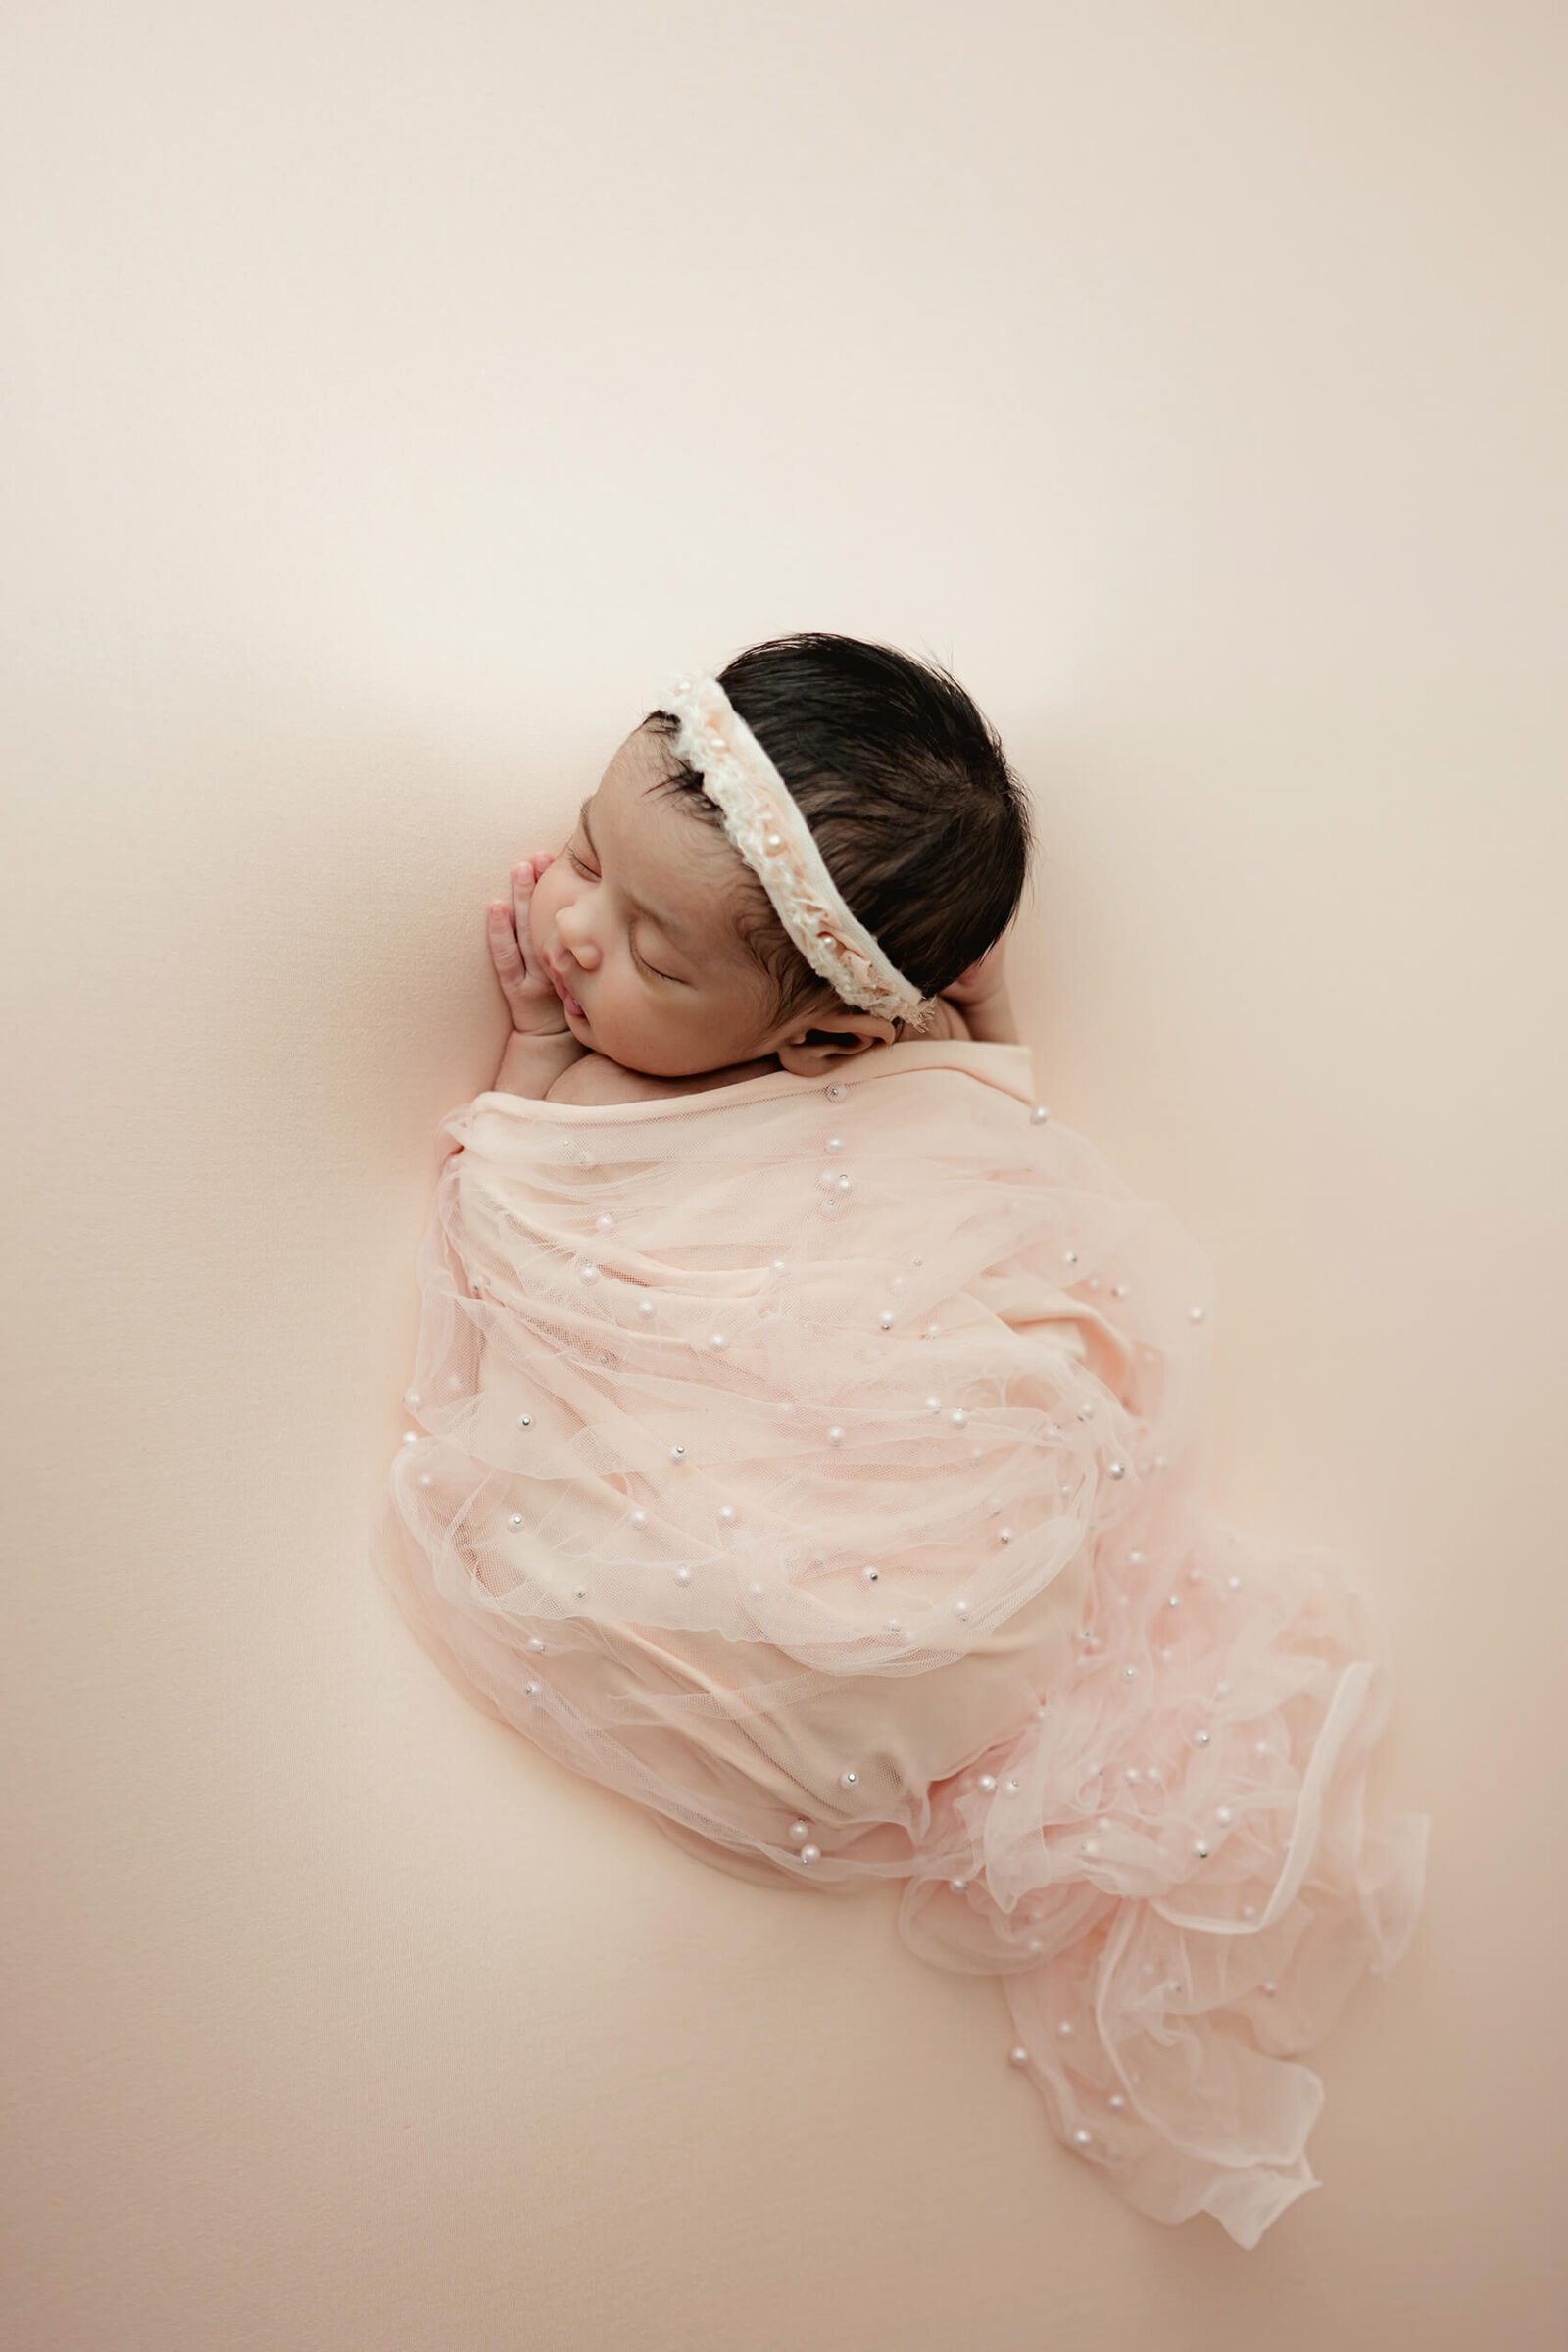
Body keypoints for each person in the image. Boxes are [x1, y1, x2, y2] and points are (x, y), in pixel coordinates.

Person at [378, 632, 1427, 2250]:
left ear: (827, 1044)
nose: (574, 933)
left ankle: (907, 1646)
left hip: (913, 1521)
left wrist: (536, 1063)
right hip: (780, 1537)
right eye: (589, 856)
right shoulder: (720, 1076)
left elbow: (969, 1157)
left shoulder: (848, 1092)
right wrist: (554, 1041)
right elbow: (525, 1223)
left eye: (653, 954)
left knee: (981, 1390)